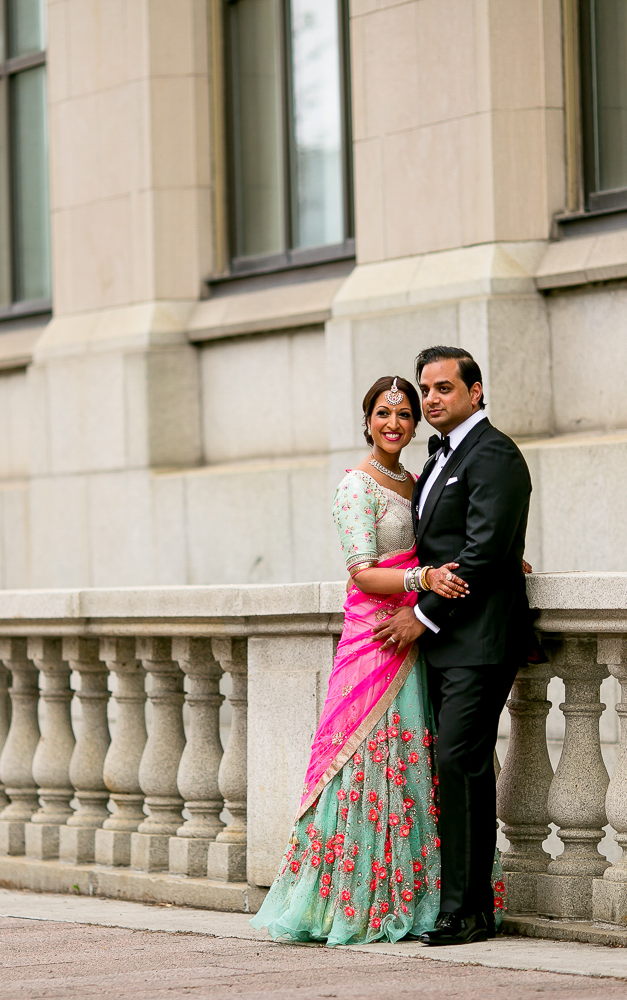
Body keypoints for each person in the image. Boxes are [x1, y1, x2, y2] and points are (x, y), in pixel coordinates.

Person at [250, 375, 502, 946]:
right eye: (384, 413)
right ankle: (348, 902)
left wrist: (499, 566)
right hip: (375, 639)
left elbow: (450, 542)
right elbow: (362, 569)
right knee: (361, 759)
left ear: (415, 424)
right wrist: (421, 577)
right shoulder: (354, 487)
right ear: (367, 421)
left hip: (416, 640)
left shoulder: (417, 481)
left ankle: (413, 896)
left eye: (405, 414)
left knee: (415, 765)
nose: (395, 423)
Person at [371, 346, 535, 947]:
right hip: (446, 646)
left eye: (444, 387)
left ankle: (465, 913)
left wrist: (421, 615)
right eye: (426, 389)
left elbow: (485, 549)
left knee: (458, 764)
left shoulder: (495, 454)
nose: (432, 398)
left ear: (476, 391)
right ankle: (464, 905)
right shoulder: (440, 456)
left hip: (480, 641)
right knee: (455, 767)